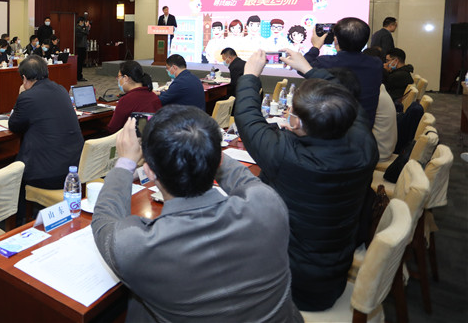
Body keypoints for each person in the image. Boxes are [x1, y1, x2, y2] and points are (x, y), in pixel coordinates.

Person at [92, 110, 302, 323]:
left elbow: (105, 217)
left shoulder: (138, 246)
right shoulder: (268, 203)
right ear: (218, 160)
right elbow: (240, 177)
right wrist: (201, 145)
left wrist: (126, 162)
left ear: (149, 172)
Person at [234, 48, 377, 311]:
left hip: (288, 284)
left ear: (296, 123)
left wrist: (250, 75)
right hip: (333, 274)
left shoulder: (287, 157)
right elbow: (345, 96)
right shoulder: (364, 142)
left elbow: (247, 118)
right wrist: (308, 69)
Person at [7, 56, 83, 219]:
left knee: (14, 172)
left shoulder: (27, 97)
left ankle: (19, 222)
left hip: (48, 174)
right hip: (74, 167)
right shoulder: (61, 90)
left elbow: (14, 125)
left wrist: (21, 95)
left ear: (24, 78)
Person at [303, 17, 383, 125]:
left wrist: (316, 46)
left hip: (334, 129)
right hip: (364, 129)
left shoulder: (325, 63)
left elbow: (303, 67)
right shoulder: (376, 64)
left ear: (335, 40)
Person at [106, 61, 161, 133]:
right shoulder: (153, 96)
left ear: (125, 78)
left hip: (134, 138)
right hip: (154, 137)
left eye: (119, 77)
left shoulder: (126, 100)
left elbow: (112, 128)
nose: (118, 80)